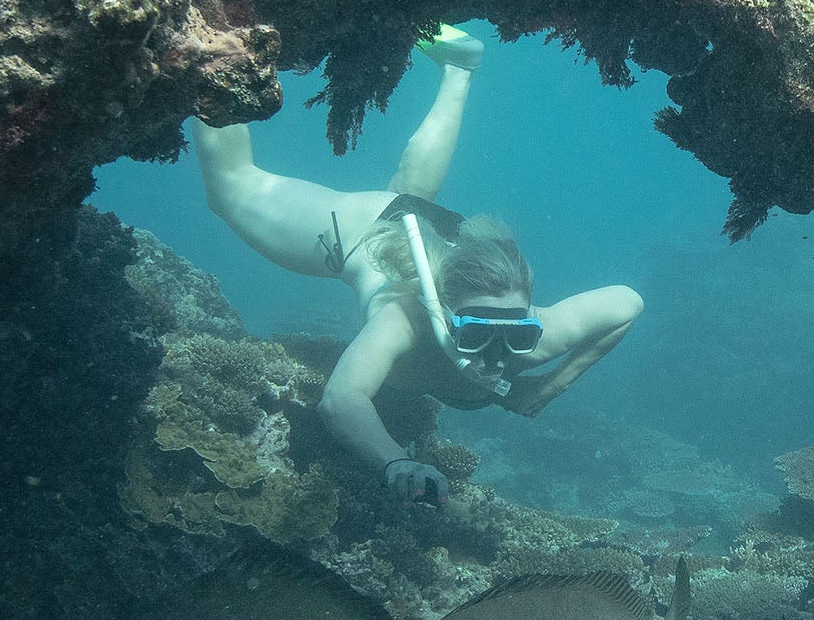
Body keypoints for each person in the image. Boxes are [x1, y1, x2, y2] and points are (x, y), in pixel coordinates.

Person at [191, 26, 643, 506]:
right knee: (230, 188)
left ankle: (459, 68)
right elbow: (341, 398)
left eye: (517, 336)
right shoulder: (401, 322)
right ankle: (211, 51)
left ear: (530, 322)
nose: (496, 355)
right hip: (370, 227)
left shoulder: (539, 338)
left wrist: (549, 387)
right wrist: (395, 460)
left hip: (438, 227)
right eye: (474, 334)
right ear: (441, 311)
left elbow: (628, 303)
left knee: (411, 191)